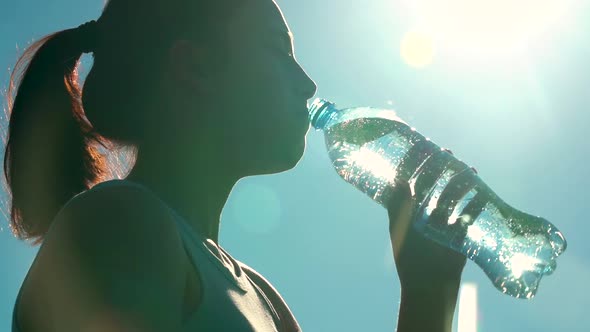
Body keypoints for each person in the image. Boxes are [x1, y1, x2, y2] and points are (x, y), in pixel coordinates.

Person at [4, 0, 466, 331]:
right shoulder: (117, 223)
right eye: (278, 51)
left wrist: (430, 291)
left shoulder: (266, 300)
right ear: (196, 69)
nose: (307, 83)